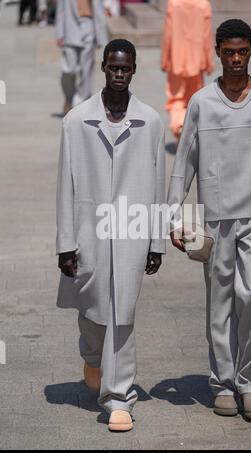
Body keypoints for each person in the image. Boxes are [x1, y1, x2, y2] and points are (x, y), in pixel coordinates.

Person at [168, 19, 251, 420]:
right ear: (217, 52)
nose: (236, 59)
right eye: (228, 52)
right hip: (216, 219)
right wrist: (173, 215)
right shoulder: (203, 102)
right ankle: (223, 382)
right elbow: (184, 159)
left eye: (242, 52)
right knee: (220, 302)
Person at [56, 39, 166, 432]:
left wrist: (157, 241)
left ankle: (119, 398)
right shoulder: (76, 120)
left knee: (123, 313)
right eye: (113, 67)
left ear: (134, 70)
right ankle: (92, 356)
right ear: (103, 67)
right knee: (92, 311)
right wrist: (65, 242)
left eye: (126, 68)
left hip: (133, 231)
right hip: (89, 231)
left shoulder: (150, 121)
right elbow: (64, 185)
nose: (119, 74)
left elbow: (158, 185)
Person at [161, 0, 214, 140]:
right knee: (194, 100)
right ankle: (190, 135)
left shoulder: (173, 3)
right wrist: (209, 62)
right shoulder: (204, 5)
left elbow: (168, 34)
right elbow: (206, 36)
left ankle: (178, 125)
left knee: (176, 99)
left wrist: (165, 59)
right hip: (197, 61)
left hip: (176, 59)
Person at [55, 0, 109, 115]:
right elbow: (60, 10)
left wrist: (101, 37)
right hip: (70, 28)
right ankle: (69, 98)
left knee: (86, 71)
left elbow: (99, 10)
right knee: (68, 70)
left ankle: (81, 104)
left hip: (88, 26)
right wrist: (59, 33)